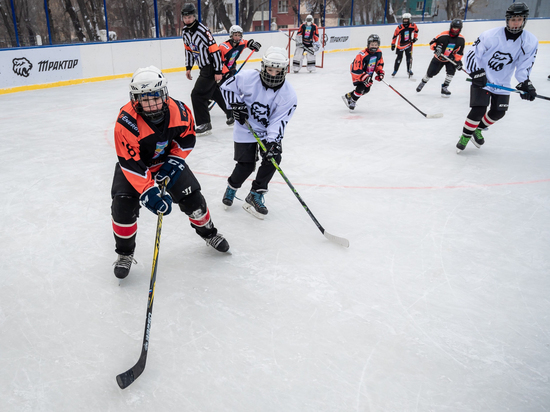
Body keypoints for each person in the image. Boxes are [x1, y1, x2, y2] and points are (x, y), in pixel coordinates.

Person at [111, 66, 229, 279]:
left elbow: (187, 138)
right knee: (122, 206)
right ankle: (125, 254)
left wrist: (174, 162)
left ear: (164, 94)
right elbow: (129, 162)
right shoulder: (126, 122)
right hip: (135, 166)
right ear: (135, 99)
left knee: (193, 198)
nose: (151, 103)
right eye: (143, 98)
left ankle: (209, 233)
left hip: (166, 161)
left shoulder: (180, 111)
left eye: (155, 96)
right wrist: (148, 193)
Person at [220, 47, 298, 219]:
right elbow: (226, 87)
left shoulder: (288, 95)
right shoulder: (248, 78)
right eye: (270, 70)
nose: (273, 74)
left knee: (274, 157)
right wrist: (236, 105)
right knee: (246, 165)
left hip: (266, 131)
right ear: (263, 67)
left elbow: (278, 120)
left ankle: (255, 193)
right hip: (245, 127)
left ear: (284, 71)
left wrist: (272, 142)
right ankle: (232, 187)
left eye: (278, 71)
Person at [456, 2, 538, 153]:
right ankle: (465, 137)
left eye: (519, 19)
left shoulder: (530, 41)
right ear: (507, 20)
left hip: (502, 81)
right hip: (483, 78)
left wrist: (525, 83)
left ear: (524, 20)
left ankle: (478, 129)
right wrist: (476, 72)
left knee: (499, 112)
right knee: (478, 109)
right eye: (513, 19)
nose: (515, 23)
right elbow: (473, 53)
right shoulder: (491, 35)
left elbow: (524, 65)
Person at [181, 3, 231, 136]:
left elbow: (215, 51)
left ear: (194, 16)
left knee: (197, 95)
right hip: (203, 67)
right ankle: (231, 114)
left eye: (190, 17)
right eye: (185, 17)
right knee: (214, 92)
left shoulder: (203, 31)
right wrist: (188, 67)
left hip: (210, 67)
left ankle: (204, 123)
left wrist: (218, 70)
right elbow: (188, 50)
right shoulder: (185, 32)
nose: (187, 20)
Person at [416, 19, 465, 97]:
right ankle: (423, 82)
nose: (455, 30)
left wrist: (458, 62)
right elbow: (432, 43)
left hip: (450, 59)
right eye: (454, 28)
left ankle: (444, 87)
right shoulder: (443, 35)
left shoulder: (461, 39)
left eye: (457, 28)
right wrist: (436, 48)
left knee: (451, 73)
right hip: (438, 58)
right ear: (451, 27)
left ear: (460, 29)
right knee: (430, 73)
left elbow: (459, 53)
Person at [342, 34, 385, 111]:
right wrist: (363, 76)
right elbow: (356, 68)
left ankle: (349, 96)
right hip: (358, 73)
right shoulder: (362, 54)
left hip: (369, 73)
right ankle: (352, 101)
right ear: (368, 44)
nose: (374, 46)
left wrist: (380, 72)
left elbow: (379, 63)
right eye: (372, 44)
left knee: (366, 90)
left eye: (376, 45)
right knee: (361, 87)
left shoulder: (379, 53)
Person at [391, 13, 419, 78]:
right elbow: (395, 36)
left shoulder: (413, 25)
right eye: (404, 20)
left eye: (407, 20)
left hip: (409, 44)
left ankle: (409, 70)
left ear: (409, 20)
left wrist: (415, 38)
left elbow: (416, 31)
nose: (405, 21)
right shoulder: (399, 27)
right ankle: (395, 70)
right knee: (399, 58)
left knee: (409, 58)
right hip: (400, 46)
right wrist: (393, 44)